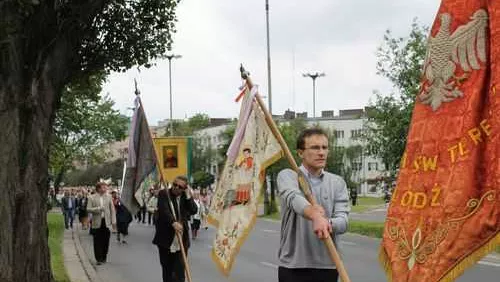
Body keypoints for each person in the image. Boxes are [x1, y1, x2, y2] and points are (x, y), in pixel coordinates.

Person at [277, 128, 350, 282]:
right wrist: (314, 214)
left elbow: (343, 221)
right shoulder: (288, 176)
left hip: (328, 265)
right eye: (315, 148)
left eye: (324, 147)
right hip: (293, 266)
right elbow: (293, 198)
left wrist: (327, 222)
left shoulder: (337, 183)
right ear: (300, 153)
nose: (321, 152)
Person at [153, 176, 197, 282]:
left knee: (180, 273)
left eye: (180, 186)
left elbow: (194, 210)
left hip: (181, 240)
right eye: (175, 184)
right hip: (166, 240)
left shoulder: (185, 197)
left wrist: (188, 196)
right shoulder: (164, 194)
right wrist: (173, 222)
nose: (176, 187)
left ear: (184, 188)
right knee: (167, 271)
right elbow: (164, 210)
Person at [87, 182, 116, 265]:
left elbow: (112, 210)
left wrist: (114, 222)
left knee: (106, 241)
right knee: (97, 241)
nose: (105, 189)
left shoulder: (109, 197)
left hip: (106, 222)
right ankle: (98, 259)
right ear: (98, 188)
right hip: (97, 222)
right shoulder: (91, 197)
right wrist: (98, 209)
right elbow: (88, 209)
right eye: (103, 187)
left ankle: (104, 257)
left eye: (106, 187)